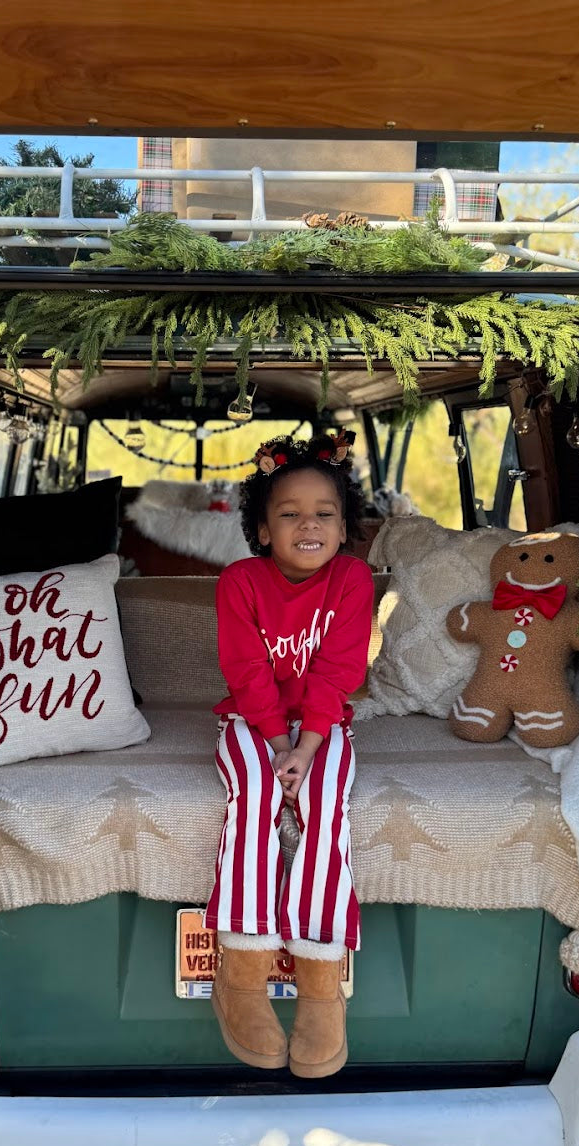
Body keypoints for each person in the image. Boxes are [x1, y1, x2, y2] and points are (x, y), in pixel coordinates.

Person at [206, 430, 374, 1078]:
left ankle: (320, 981)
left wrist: (305, 753)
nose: (309, 524)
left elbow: (336, 673)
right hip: (253, 722)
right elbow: (247, 674)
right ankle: (241, 972)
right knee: (254, 792)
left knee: (325, 801)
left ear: (343, 525)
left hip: (322, 724)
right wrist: (279, 750)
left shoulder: (353, 580)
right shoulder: (241, 582)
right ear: (261, 528)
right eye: (289, 513)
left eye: (324, 513)